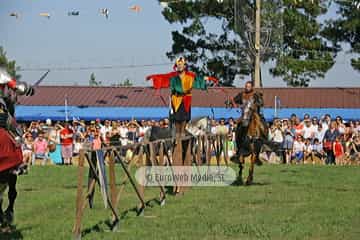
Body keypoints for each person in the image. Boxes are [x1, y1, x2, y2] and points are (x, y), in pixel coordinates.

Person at [229, 81, 265, 157]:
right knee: (238, 127)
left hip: (255, 114)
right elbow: (234, 100)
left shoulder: (256, 94)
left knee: (262, 124)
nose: (247, 87)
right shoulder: (241, 94)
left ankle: (264, 141)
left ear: (252, 87)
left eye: (249, 86)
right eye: (246, 86)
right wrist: (230, 102)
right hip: (244, 115)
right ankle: (239, 147)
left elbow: (261, 103)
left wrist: (255, 104)